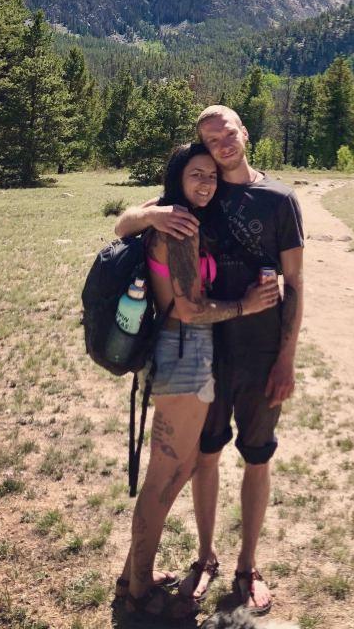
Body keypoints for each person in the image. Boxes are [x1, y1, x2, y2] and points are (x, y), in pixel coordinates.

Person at [116, 105, 305, 616]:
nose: (219, 148)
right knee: (193, 463)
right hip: (200, 353)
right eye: (207, 140)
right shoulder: (187, 206)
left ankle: (244, 567)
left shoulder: (275, 200)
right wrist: (152, 214)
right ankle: (194, 562)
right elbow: (125, 223)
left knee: (253, 457)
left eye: (226, 135)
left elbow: (297, 284)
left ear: (245, 134)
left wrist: (286, 357)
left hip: (259, 353)